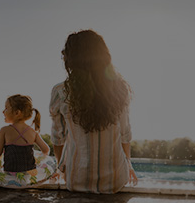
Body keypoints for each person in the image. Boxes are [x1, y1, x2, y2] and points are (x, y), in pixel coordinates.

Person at [50, 29, 138, 194]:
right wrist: (129, 165)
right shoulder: (120, 89)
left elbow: (58, 138)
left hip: (76, 180)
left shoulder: (60, 91)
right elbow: (125, 134)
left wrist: (61, 168)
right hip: (115, 180)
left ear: (71, 59)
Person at [0, 94, 50, 172]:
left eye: (6, 108)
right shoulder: (33, 132)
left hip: (10, 172)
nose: (3, 111)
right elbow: (46, 149)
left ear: (17, 113)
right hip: (28, 173)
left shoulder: (4, 130)